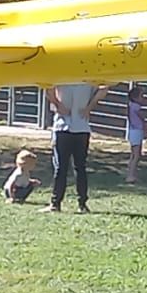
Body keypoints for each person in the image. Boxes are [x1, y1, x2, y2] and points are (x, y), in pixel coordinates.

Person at [43, 81, 102, 212]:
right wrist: (57, 105)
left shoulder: (88, 79)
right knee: (63, 167)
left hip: (79, 127)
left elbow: (104, 88)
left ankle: (80, 203)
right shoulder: (65, 75)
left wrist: (89, 107)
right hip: (64, 126)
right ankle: (58, 203)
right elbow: (48, 88)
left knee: (77, 167)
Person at [123, 82, 147, 184]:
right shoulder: (136, 107)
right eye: (141, 96)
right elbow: (142, 119)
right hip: (137, 131)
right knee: (136, 155)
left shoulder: (130, 106)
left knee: (133, 154)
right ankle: (131, 176)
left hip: (132, 131)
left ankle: (131, 174)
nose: (143, 98)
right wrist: (146, 128)